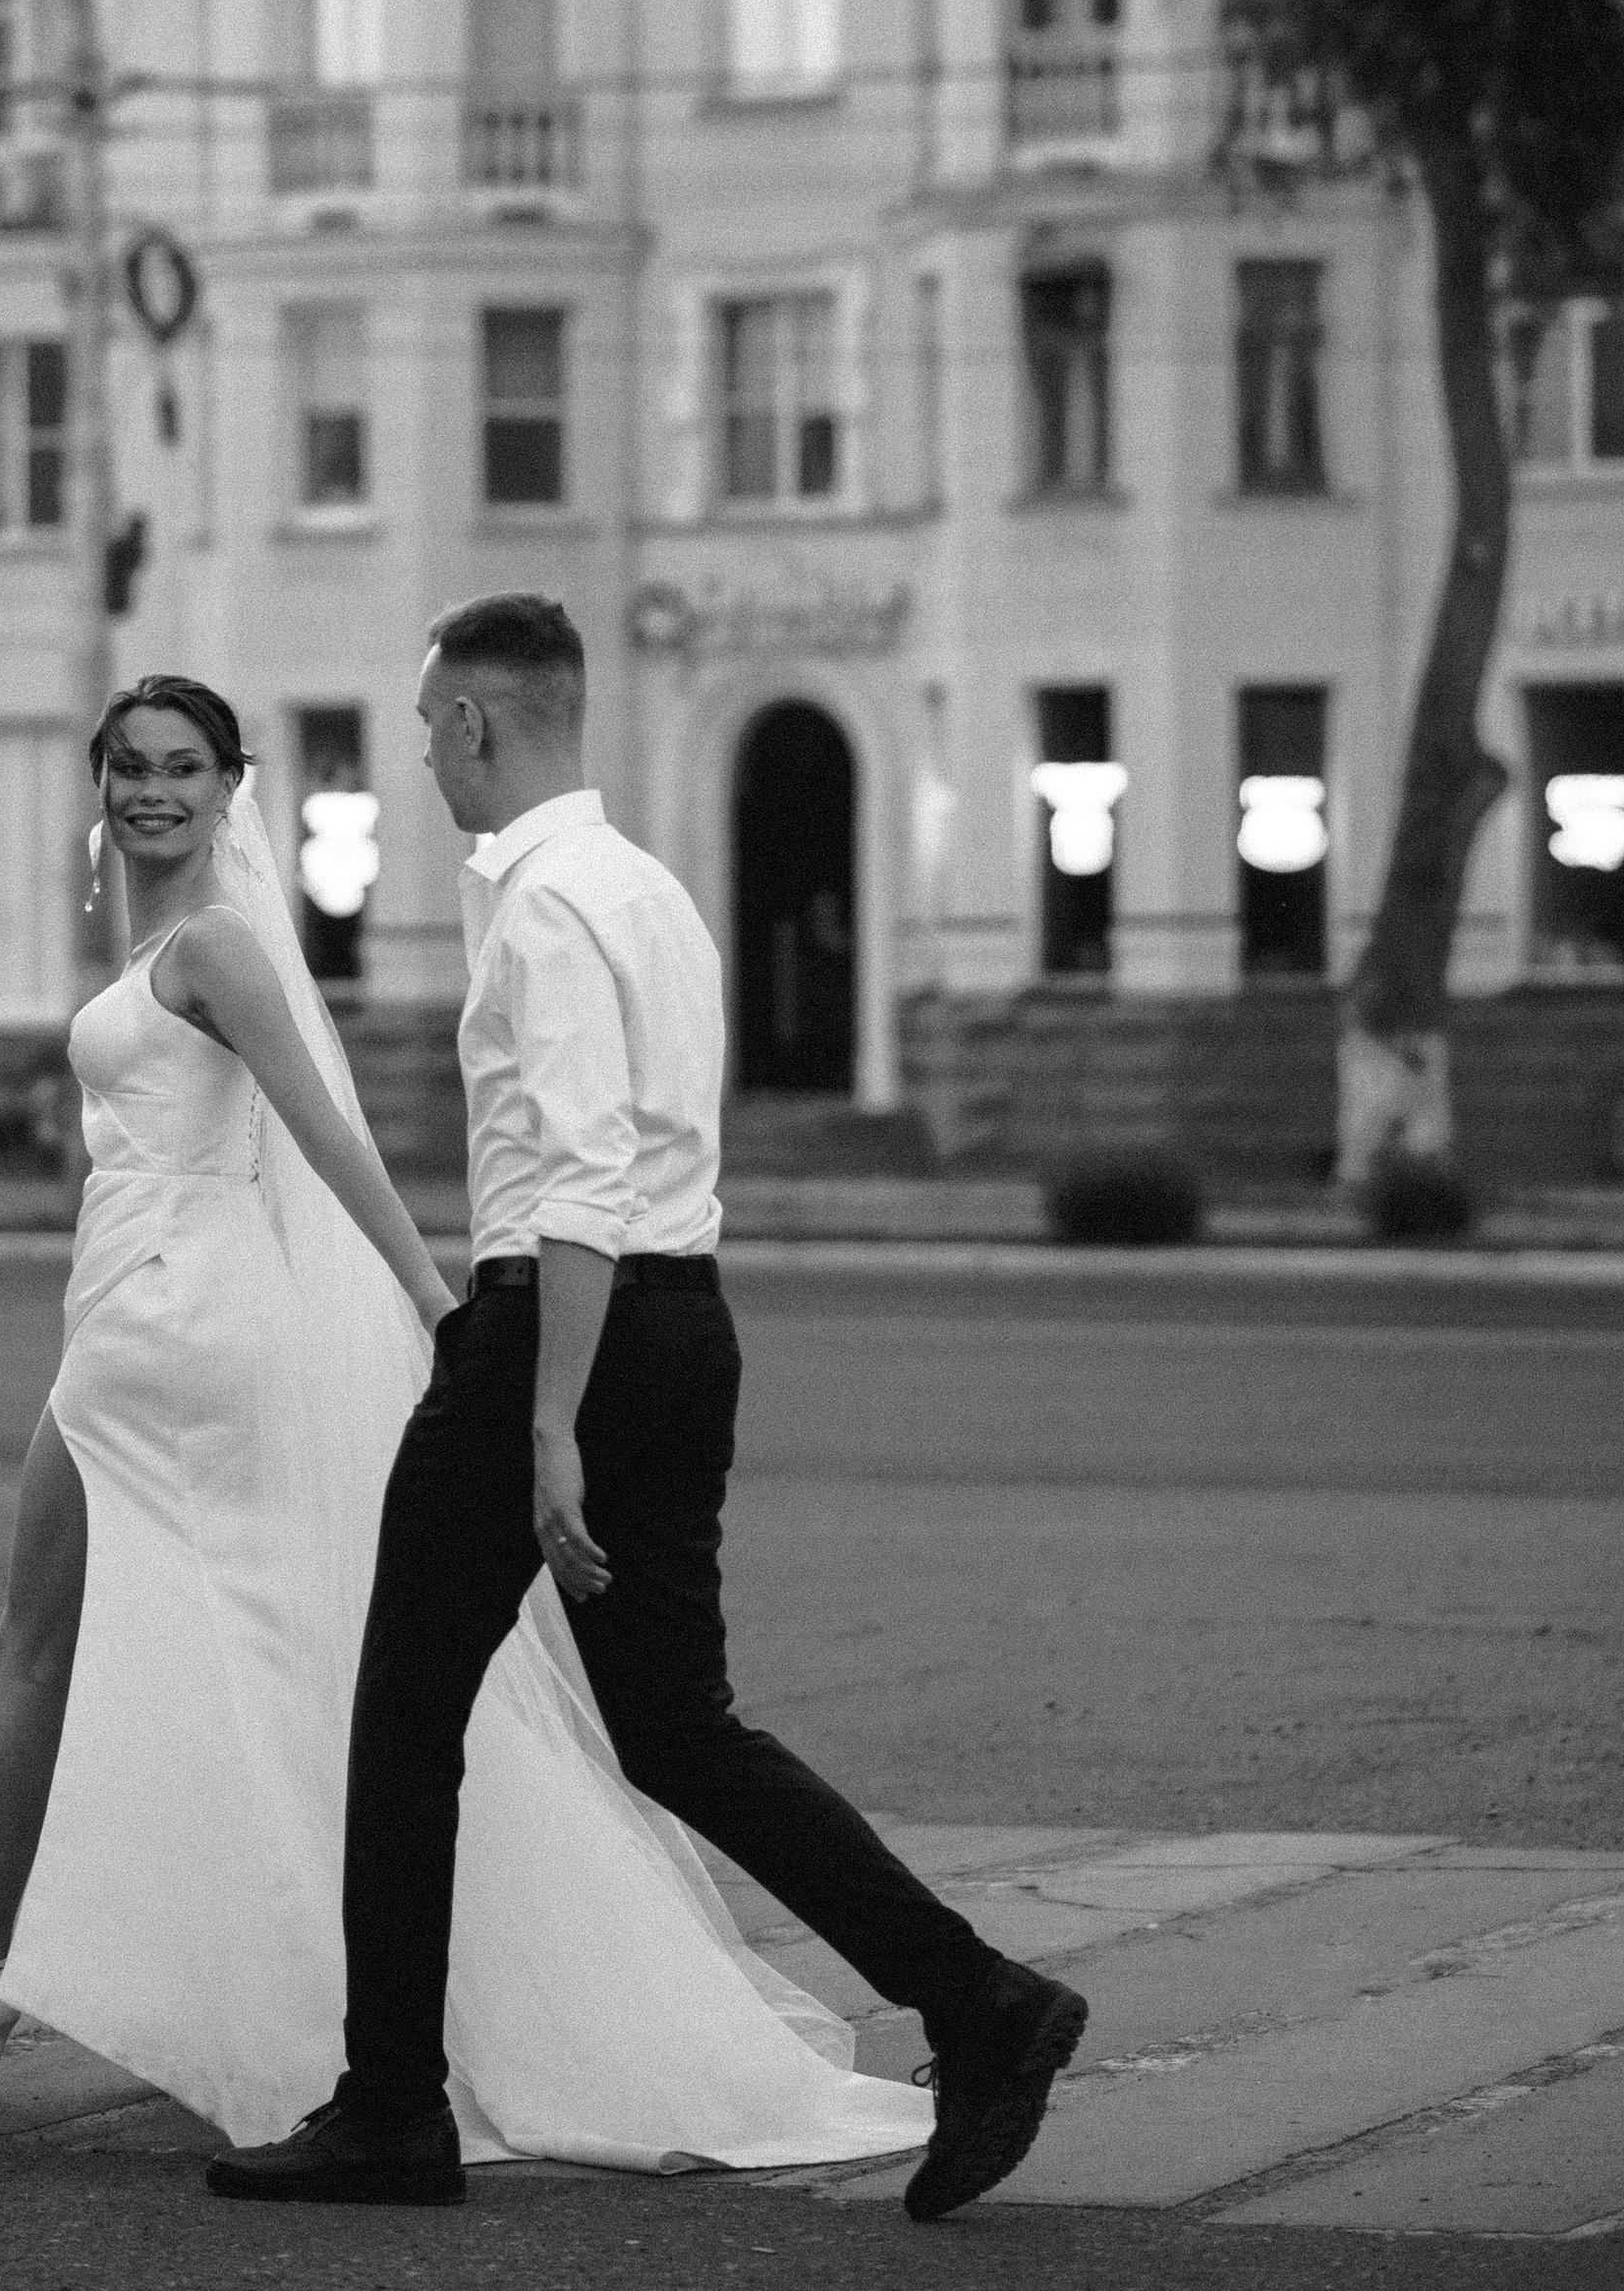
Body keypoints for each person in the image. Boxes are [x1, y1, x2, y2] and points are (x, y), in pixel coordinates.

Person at [0, 669, 935, 2181]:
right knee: (128, 1638)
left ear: (234, 786)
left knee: (113, 1640)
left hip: (181, 1327)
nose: (149, 791)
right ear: (97, 784)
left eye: (181, 768)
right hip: (127, 1308)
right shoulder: (155, 934)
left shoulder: (223, 946)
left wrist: (438, 1306)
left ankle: (3, 1980)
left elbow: (328, 1136)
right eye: (126, 767)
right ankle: (4, 1972)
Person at [207, 595, 1088, 2224]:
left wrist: (544, 1422)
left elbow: (585, 1179)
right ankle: (981, 2002)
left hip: (571, 1327)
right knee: (677, 1725)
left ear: (477, 720)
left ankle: (391, 2108)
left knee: (403, 1713)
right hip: (687, 1327)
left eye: (426, 728)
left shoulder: (543, 909)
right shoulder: (653, 892)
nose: (420, 759)